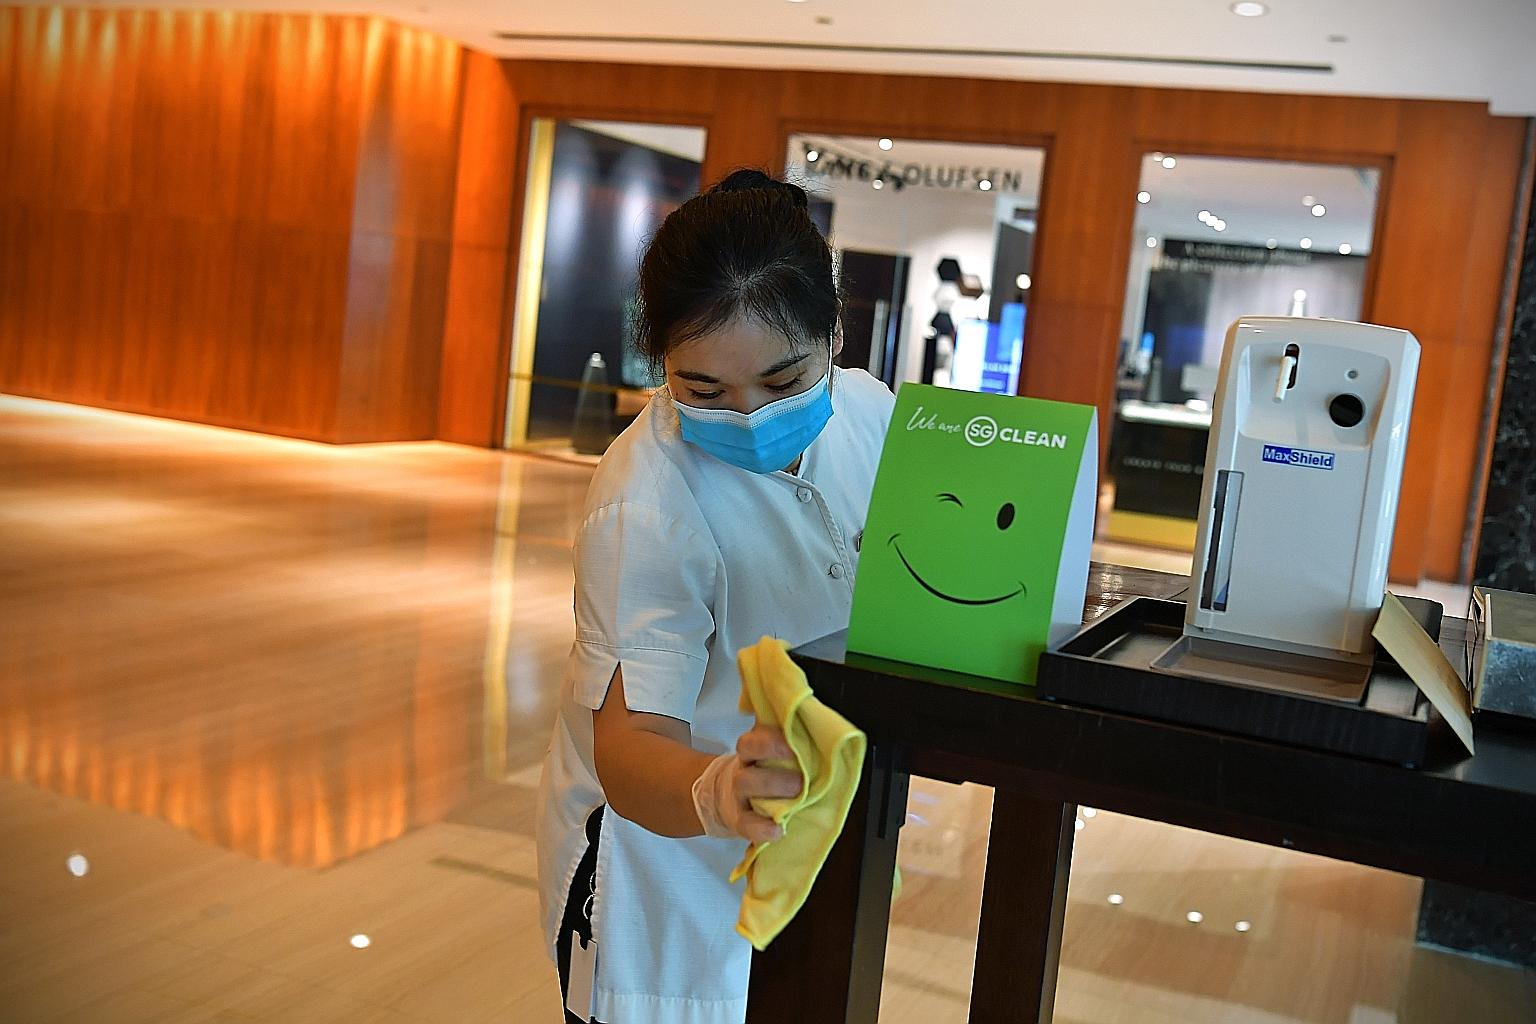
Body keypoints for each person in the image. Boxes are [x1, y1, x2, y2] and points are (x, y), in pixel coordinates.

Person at [535, 168, 897, 1024]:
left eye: (784, 382)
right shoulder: (645, 498)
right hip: (663, 875)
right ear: (660, 362)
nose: (750, 417)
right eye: (704, 391)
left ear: (834, 333)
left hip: (805, 843)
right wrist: (715, 791)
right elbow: (629, 746)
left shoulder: (871, 414)